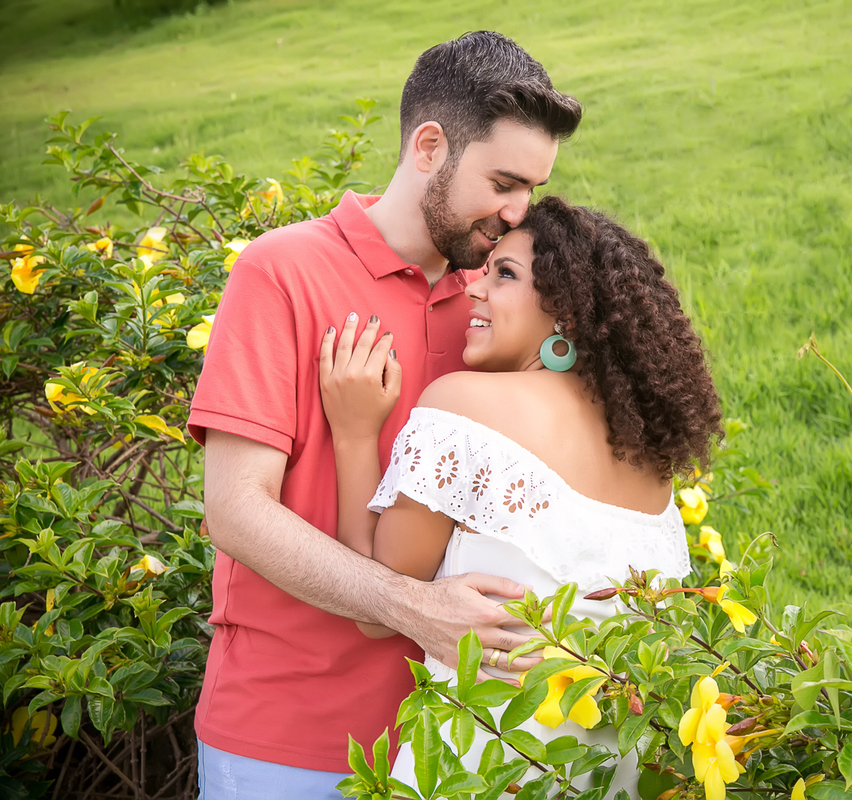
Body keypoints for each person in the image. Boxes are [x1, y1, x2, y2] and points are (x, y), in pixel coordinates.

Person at [186, 32, 582, 798]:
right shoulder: (282, 271)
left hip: (466, 747)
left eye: (532, 189)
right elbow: (234, 509)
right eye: (504, 182)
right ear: (429, 147)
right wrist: (416, 608)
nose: (517, 212)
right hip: (289, 742)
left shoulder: (501, 303)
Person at [319, 196, 724, 795]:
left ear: (567, 312)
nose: (474, 290)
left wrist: (354, 434)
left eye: (504, 274)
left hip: (481, 772)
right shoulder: (649, 464)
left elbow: (377, 612)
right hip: (606, 780)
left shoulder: (464, 406)